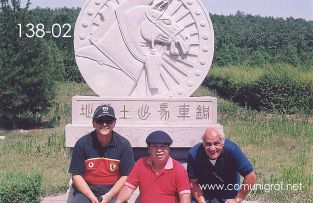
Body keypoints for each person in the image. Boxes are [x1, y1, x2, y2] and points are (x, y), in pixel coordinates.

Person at [67, 105, 134, 203]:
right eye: (100, 121)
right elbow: (76, 175)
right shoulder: (82, 144)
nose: (104, 124)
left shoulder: (124, 144)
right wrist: (91, 197)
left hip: (112, 191)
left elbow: (126, 176)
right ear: (93, 123)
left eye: (109, 121)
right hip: (86, 191)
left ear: (114, 123)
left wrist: (108, 196)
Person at [115, 130, 191, 203]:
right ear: (148, 149)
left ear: (169, 149)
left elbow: (185, 197)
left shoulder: (179, 169)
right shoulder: (140, 164)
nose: (159, 150)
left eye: (163, 146)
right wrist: (118, 201)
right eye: (155, 146)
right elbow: (128, 188)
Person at [187, 127, 256, 203]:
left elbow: (251, 176)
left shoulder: (232, 150)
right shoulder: (194, 154)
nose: (212, 148)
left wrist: (238, 199)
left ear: (223, 143)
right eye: (208, 144)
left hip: (228, 193)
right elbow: (194, 183)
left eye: (216, 143)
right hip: (204, 193)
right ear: (203, 144)